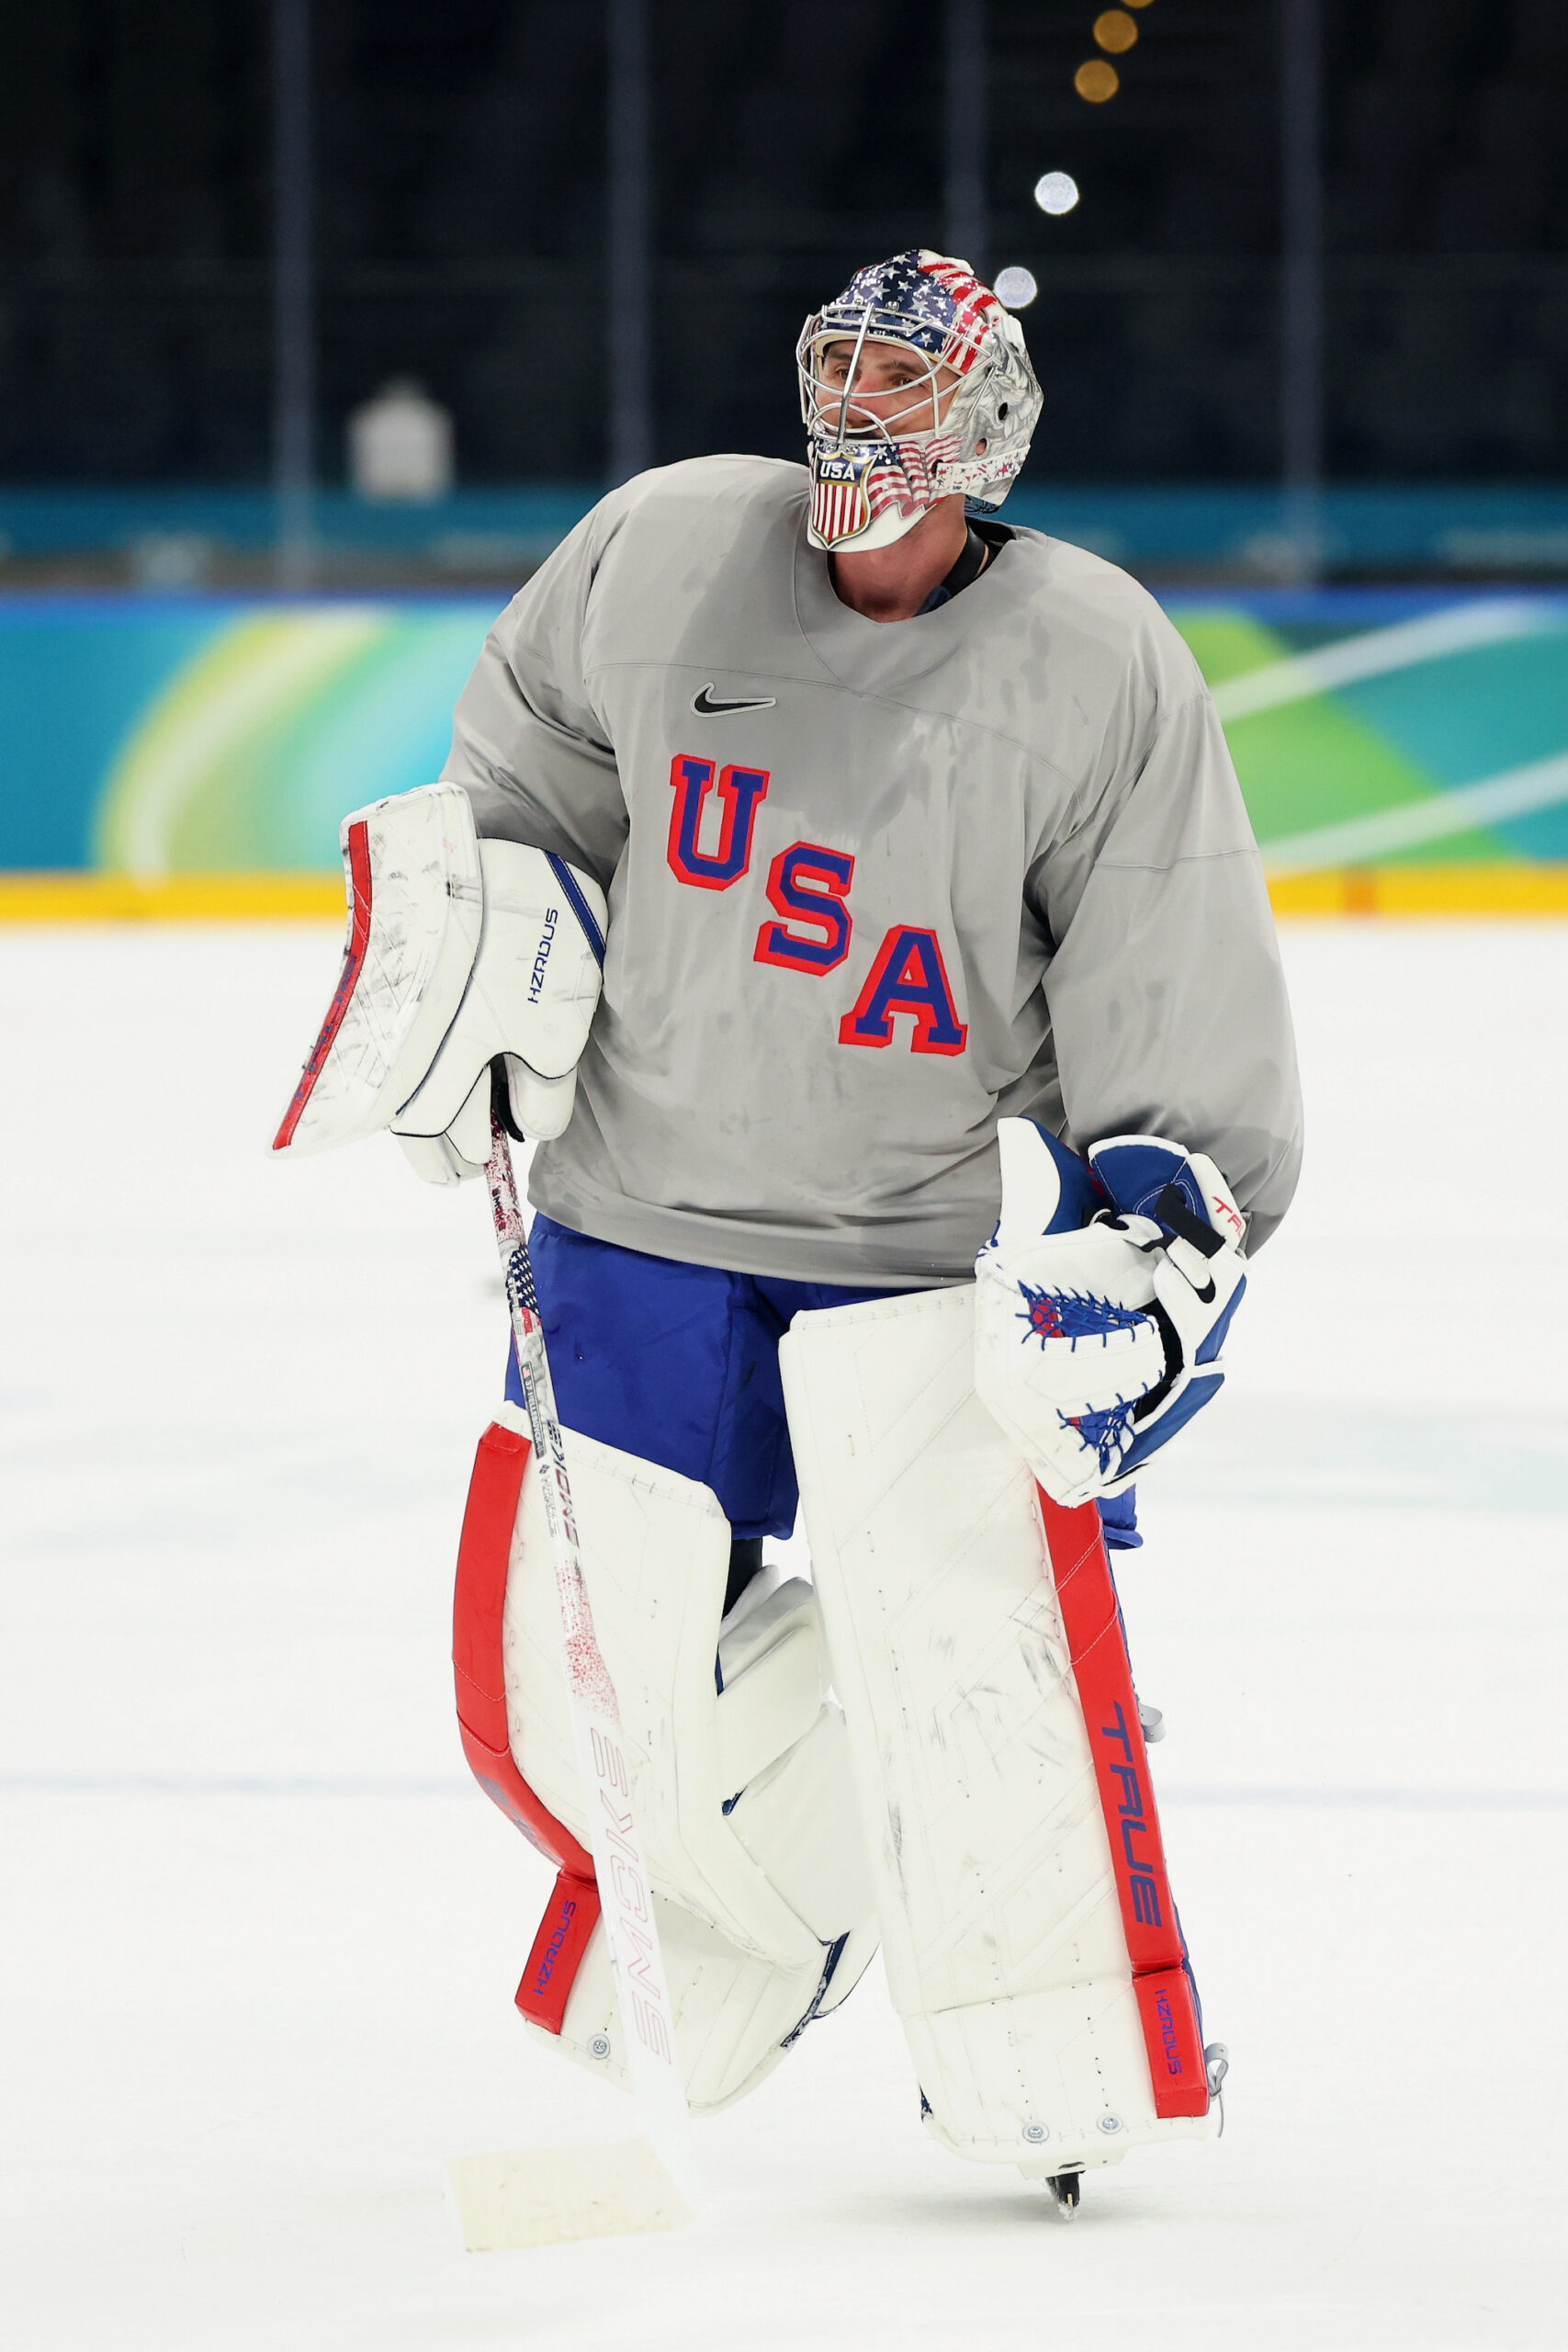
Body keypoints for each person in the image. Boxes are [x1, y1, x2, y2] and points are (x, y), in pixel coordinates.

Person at [276, 250, 1302, 2203]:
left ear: (988, 429)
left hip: (894, 1252)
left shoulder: (1095, 660)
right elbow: (526, 786)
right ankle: (774, 1912)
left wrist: (1153, 1217)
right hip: (623, 1220)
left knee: (967, 1664)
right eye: (836, 385)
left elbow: (1166, 972)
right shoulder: (660, 546)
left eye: (902, 404)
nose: (854, 436)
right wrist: (479, 956)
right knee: (555, 1688)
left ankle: (1035, 2039)